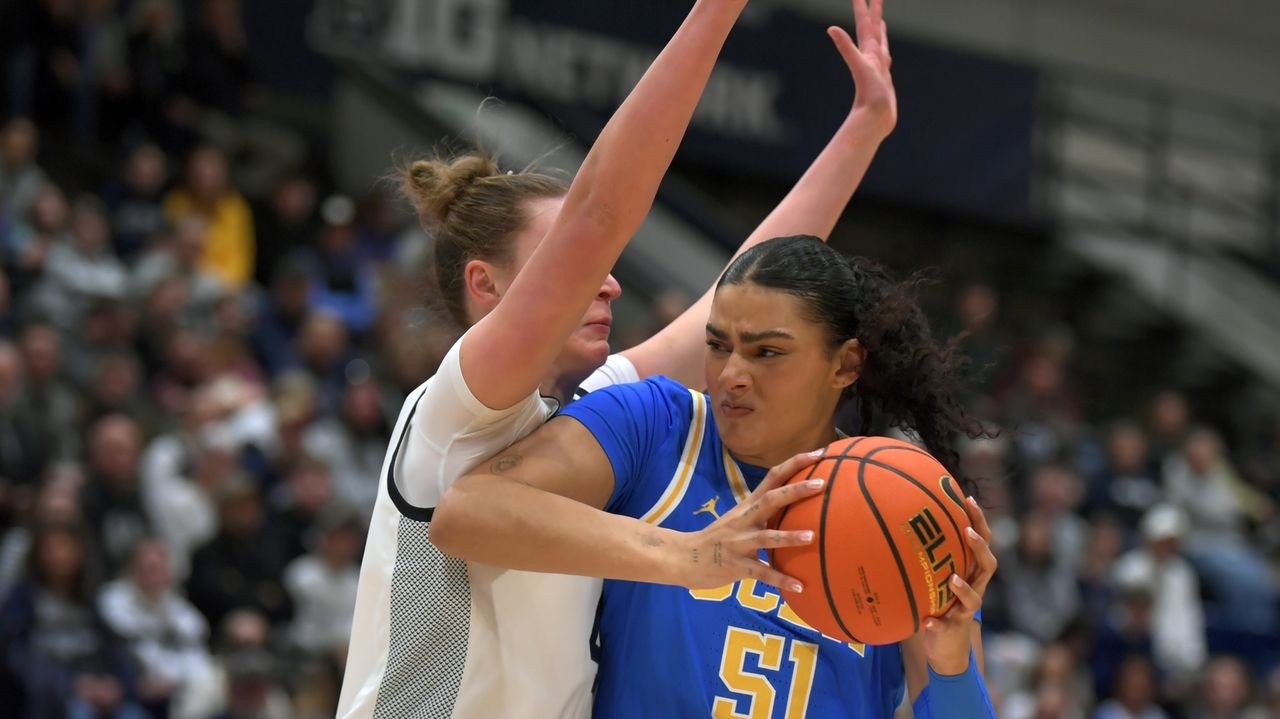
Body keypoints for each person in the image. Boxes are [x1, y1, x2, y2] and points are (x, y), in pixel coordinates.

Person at [337, 0, 900, 714]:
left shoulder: (590, 410)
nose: (608, 279)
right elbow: (603, 207)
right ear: (488, 286)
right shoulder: (454, 413)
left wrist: (864, 129)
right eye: (571, 265)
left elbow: (748, 285)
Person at [436, 236, 997, 717]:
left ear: (846, 364)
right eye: (717, 345)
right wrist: (687, 556)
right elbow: (464, 512)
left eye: (767, 353)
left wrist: (950, 663)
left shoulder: (897, 501)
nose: (732, 375)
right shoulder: (655, 425)